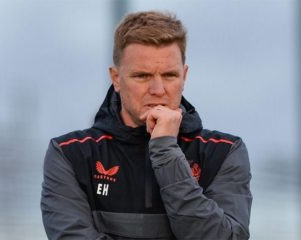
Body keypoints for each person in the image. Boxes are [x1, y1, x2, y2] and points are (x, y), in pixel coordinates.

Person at [41, 11, 252, 240]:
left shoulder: (224, 151)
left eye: (170, 75)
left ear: (185, 75)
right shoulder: (70, 154)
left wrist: (166, 151)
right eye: (142, 76)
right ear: (116, 78)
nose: (158, 90)